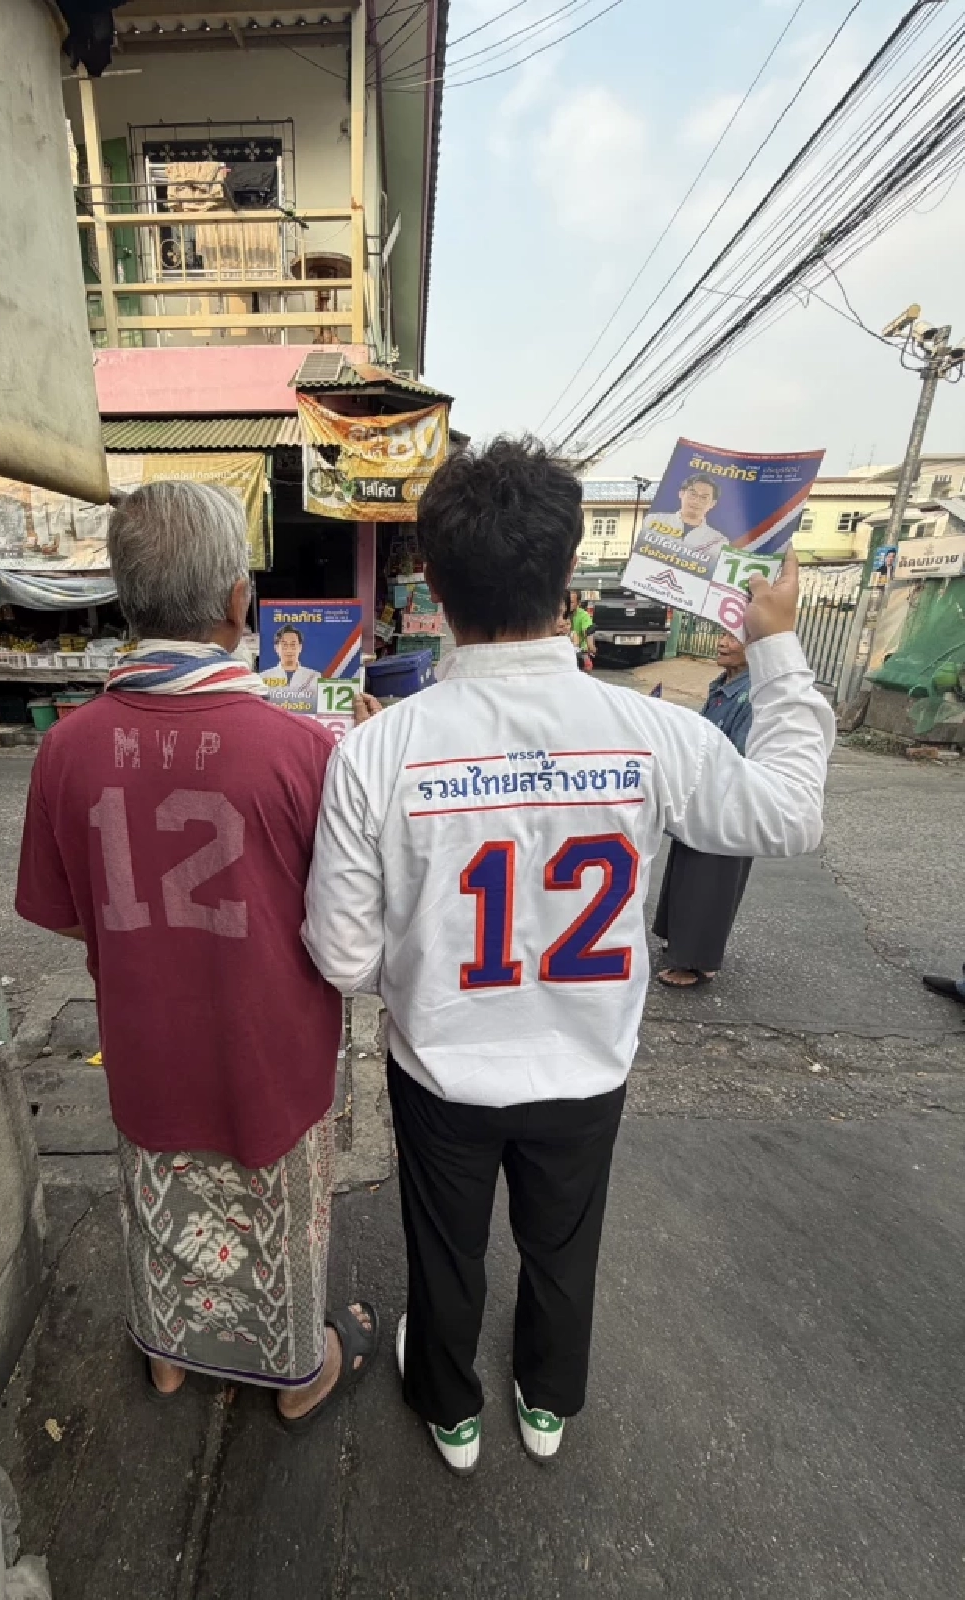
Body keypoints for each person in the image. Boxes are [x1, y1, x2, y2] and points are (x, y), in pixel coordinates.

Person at [304, 437, 833, 1476]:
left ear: (436, 588)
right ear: (566, 581)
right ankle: (545, 1399)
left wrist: (426, 966)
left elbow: (341, 954)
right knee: (562, 1242)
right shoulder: (649, 729)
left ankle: (451, 1411)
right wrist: (775, 647)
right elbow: (790, 811)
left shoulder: (377, 750)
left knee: (444, 1249)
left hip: (443, 1069)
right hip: (586, 1065)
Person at [16, 480, 377, 1422]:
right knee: (280, 1216)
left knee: (158, 1203)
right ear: (236, 602)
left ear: (126, 600)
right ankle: (296, 1376)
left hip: (146, 1048)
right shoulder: (303, 747)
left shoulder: (66, 748)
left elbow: (62, 914)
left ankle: (168, 1357)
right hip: (273, 1054)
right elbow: (346, 916)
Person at [653, 630, 755, 989]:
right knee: (687, 870)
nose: (723, 642)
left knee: (711, 879)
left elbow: (739, 756)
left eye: (735, 638)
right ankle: (678, 940)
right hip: (703, 795)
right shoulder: (722, 687)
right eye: (723, 634)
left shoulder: (753, 694)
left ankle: (696, 962)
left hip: (729, 802)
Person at [642, 473, 725, 558]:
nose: (696, 501)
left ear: (712, 504)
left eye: (704, 497)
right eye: (693, 494)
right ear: (681, 494)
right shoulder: (653, 520)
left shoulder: (718, 541)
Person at [261, 623, 320, 711]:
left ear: (300, 647)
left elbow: (313, 705)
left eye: (293, 645)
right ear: (276, 648)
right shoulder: (263, 677)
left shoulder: (314, 676)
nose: (289, 649)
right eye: (284, 645)